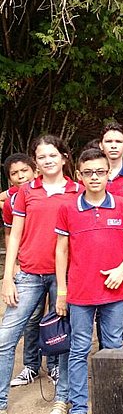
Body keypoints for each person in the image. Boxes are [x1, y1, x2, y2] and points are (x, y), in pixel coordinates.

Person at [54, 148, 123, 414]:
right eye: (88, 172)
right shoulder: (68, 208)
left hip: (114, 291)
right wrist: (62, 292)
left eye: (100, 172)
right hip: (80, 292)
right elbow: (61, 251)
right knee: (79, 348)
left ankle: (112, 401)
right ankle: (78, 408)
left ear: (108, 174)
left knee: (113, 347)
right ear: (79, 175)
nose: (94, 177)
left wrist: (121, 269)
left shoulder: (122, 204)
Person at [0, 136, 79, 414]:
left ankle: (61, 399)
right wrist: (8, 277)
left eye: (53, 155)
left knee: (66, 339)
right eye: (42, 156)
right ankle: (0, 400)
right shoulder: (26, 192)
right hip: (29, 273)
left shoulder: (77, 191)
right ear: (36, 162)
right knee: (6, 338)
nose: (48, 161)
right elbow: (15, 235)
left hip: (64, 276)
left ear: (64, 157)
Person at [2, 153, 51, 390]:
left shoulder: (53, 191)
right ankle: (31, 365)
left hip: (57, 267)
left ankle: (55, 366)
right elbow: (10, 234)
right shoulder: (11, 201)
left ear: (35, 170)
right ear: (9, 179)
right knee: (32, 318)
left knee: (57, 318)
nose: (21, 176)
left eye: (24, 171)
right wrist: (12, 267)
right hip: (28, 268)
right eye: (15, 173)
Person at [100, 122, 123, 195]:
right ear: (101, 145)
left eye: (118, 142)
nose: (113, 146)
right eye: (108, 141)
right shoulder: (90, 174)